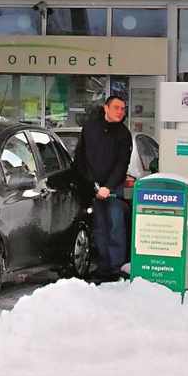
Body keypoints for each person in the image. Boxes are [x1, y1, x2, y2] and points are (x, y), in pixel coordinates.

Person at [73, 96, 132, 282]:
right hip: (95, 188)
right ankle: (103, 266)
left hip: (113, 189)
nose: (120, 112)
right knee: (99, 228)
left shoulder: (124, 134)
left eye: (123, 109)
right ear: (106, 108)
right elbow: (81, 158)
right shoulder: (91, 128)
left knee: (115, 225)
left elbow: (122, 164)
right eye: (116, 107)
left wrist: (108, 186)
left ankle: (115, 268)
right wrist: (93, 185)